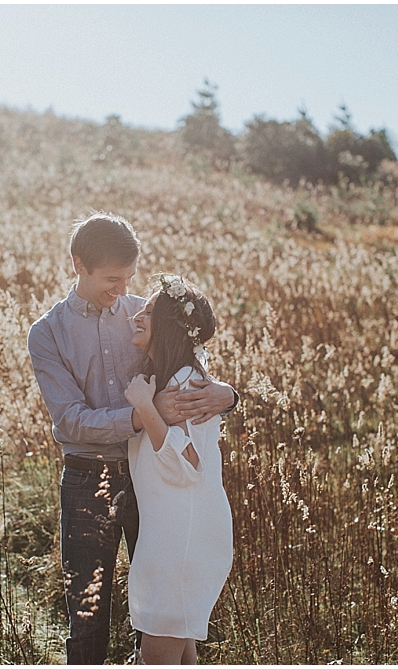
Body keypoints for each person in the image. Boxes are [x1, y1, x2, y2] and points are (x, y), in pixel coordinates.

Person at [27, 212, 237, 665]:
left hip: (153, 486)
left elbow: (191, 369)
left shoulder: (147, 315)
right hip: (87, 481)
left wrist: (228, 394)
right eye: (111, 279)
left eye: (128, 278)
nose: (122, 291)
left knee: (164, 611)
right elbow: (71, 422)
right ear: (78, 264)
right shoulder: (47, 334)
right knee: (87, 616)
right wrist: (144, 415)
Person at [124, 275, 233, 665]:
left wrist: (145, 408)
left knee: (156, 657)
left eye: (150, 311)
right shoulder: (174, 377)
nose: (138, 314)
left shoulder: (187, 383)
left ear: (169, 327)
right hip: (172, 532)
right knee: (180, 657)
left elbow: (187, 467)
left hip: (183, 539)